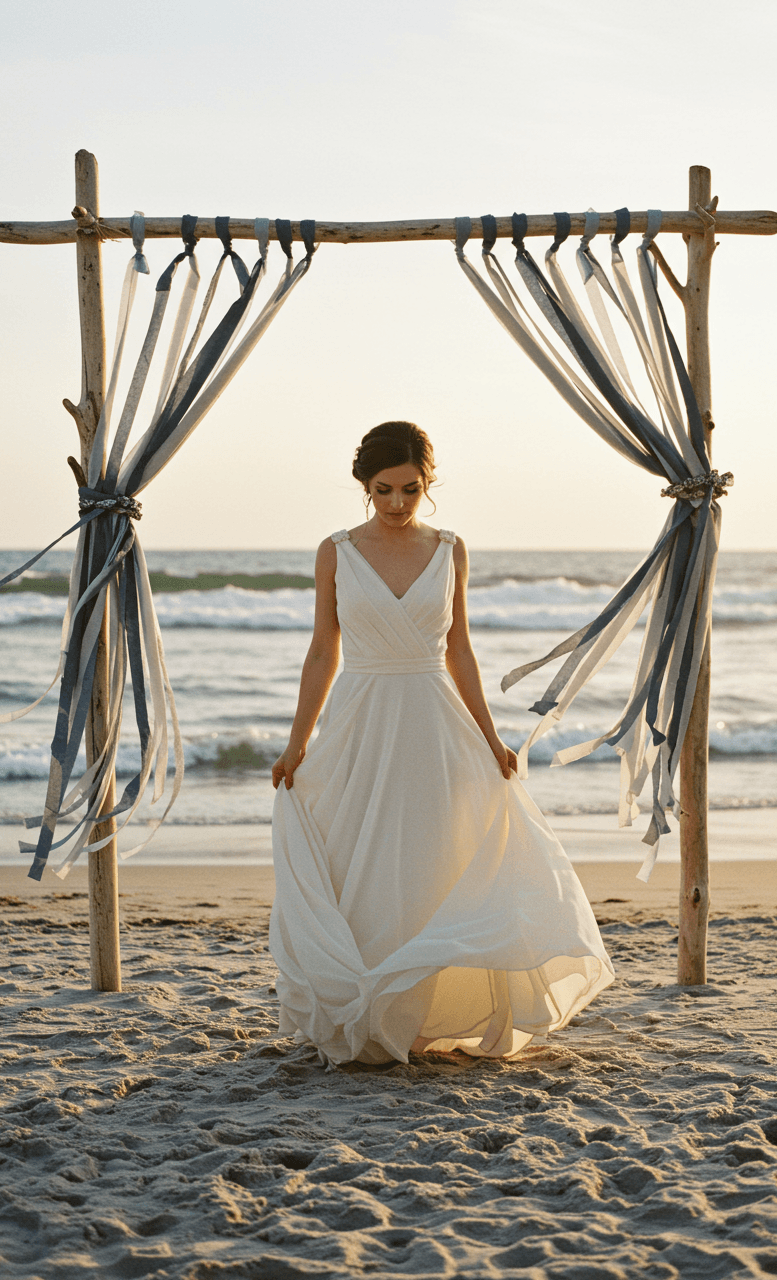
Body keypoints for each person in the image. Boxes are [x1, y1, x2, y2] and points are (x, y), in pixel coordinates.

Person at [270, 421, 613, 1065]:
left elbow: (459, 649)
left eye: (410, 489)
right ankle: (372, 1009)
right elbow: (324, 648)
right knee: (362, 861)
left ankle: (424, 1016)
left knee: (434, 857)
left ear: (428, 485)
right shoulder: (335, 550)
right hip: (360, 719)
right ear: (363, 486)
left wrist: (492, 738)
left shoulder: (450, 547)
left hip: (434, 718)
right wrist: (297, 745)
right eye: (383, 490)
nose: (397, 504)